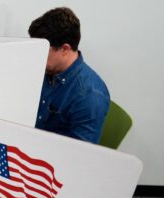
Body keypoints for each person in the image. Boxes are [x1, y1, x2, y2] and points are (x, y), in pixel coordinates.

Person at [28, 7, 110, 144]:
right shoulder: (48, 70)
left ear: (65, 49)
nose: (36, 57)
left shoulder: (89, 96)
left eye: (42, 51)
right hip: (33, 142)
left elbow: (80, 155)